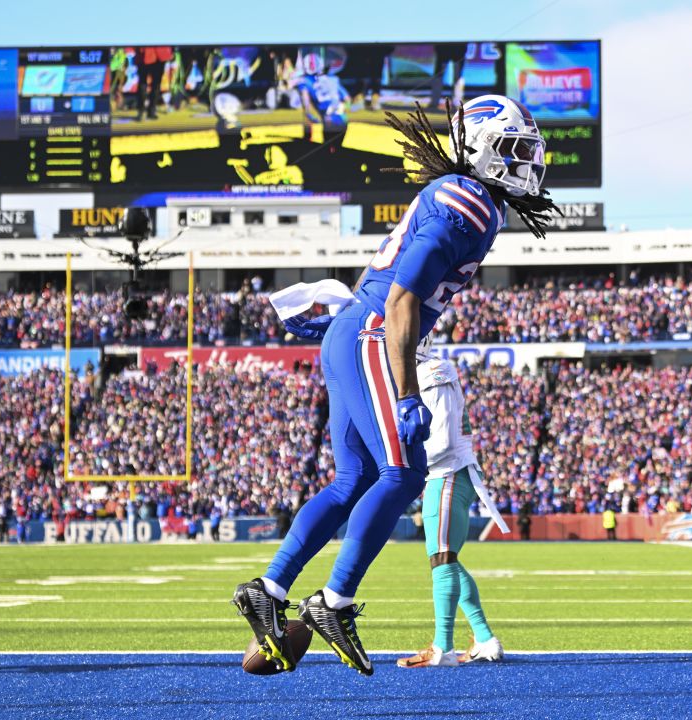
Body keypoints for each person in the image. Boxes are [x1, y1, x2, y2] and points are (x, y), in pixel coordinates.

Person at [232, 95, 554, 675]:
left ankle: (271, 588)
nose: (528, 163)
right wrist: (407, 393)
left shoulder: (468, 198)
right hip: (373, 332)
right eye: (514, 149)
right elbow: (404, 297)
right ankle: (333, 600)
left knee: (352, 480)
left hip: (352, 329)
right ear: (481, 148)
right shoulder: (471, 201)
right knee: (402, 473)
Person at [398, 339, 507, 668]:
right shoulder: (419, 374)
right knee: (448, 562)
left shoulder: (432, 371)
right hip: (444, 475)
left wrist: (406, 461)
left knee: (443, 561)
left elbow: (442, 439)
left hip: (447, 473)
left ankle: (442, 647)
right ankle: (485, 639)